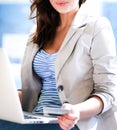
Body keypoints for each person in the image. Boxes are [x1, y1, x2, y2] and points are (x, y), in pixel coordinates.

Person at [18, 0, 117, 130]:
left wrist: (76, 111)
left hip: (74, 122)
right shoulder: (37, 30)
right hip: (36, 118)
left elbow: (107, 93)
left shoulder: (97, 26)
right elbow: (31, 90)